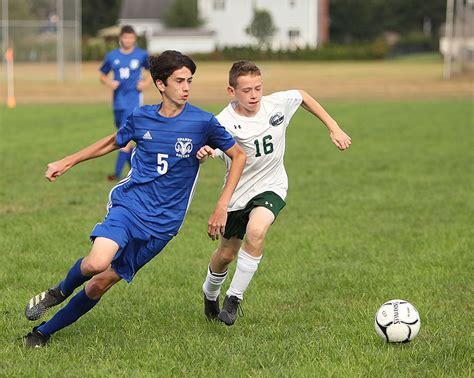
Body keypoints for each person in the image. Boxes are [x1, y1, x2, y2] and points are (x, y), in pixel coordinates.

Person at [22, 51, 247, 348]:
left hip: (163, 225)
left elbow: (239, 155)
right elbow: (112, 141)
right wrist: (68, 161)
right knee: (96, 263)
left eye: (189, 80)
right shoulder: (141, 118)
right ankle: (58, 292)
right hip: (130, 206)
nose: (186, 87)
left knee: (101, 282)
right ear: (160, 84)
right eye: (179, 81)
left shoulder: (202, 122)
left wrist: (221, 205)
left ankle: (42, 333)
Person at [198, 60, 352, 326]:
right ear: (231, 91)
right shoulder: (222, 122)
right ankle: (210, 293)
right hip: (237, 193)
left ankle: (233, 299)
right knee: (226, 254)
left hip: (272, 185)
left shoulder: (275, 104)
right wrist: (205, 152)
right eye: (246, 90)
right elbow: (209, 148)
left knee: (257, 231)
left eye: (258, 88)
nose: (254, 95)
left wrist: (333, 126)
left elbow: (302, 96)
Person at [99, 25, 152, 181]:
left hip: (133, 101)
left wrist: (146, 83)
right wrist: (110, 83)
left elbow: (153, 71)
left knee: (124, 137)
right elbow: (102, 75)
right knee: (124, 135)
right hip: (118, 102)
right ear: (121, 39)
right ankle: (137, 170)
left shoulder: (141, 55)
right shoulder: (112, 56)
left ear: (134, 39)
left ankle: (116, 173)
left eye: (131, 37)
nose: (128, 40)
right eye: (125, 37)